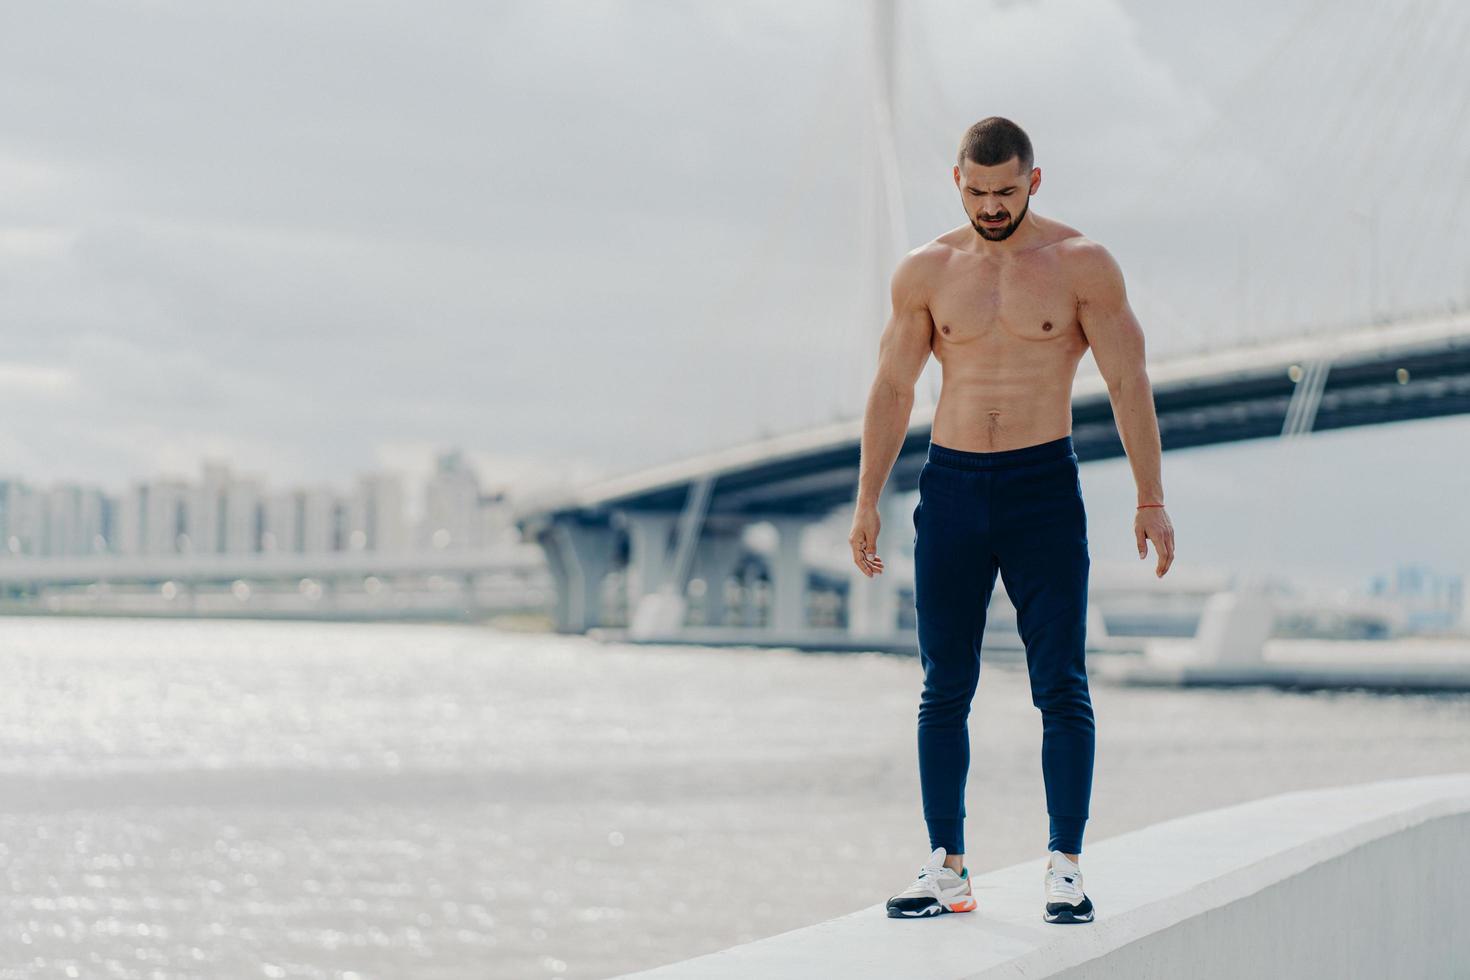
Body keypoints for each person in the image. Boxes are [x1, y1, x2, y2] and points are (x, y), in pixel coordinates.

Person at [849, 116, 1175, 925]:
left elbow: (1130, 380)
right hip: (953, 486)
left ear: (1035, 180)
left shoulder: (1082, 265)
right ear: (956, 181)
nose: (992, 207)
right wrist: (866, 500)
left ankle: (1065, 865)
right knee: (943, 686)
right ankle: (947, 868)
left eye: (1007, 192)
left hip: (1041, 487)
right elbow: (893, 390)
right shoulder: (925, 271)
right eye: (978, 192)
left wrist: (1150, 496)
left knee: (1059, 680)